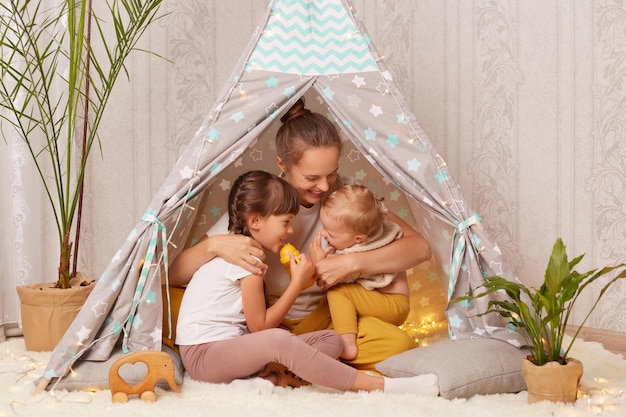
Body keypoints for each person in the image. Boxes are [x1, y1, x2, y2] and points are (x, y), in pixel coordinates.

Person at [169, 97, 432, 372]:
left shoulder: (347, 203)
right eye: (311, 178)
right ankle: (297, 361)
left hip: (326, 321)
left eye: (331, 174)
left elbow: (419, 248)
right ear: (283, 164)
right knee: (171, 308)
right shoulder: (260, 206)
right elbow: (175, 275)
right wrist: (215, 247)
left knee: (397, 345)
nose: (323, 186)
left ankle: (289, 363)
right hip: (262, 323)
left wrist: (351, 263)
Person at [175, 170, 439, 395]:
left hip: (234, 352)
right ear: (255, 221)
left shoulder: (252, 253)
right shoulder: (248, 260)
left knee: (331, 340)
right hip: (205, 357)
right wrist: (296, 284)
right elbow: (261, 328)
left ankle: (268, 380)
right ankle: (381, 387)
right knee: (277, 339)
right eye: (286, 222)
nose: (291, 231)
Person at [309, 184, 409, 360]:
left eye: (330, 234)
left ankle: (347, 345)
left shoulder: (358, 250)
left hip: (392, 305)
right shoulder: (380, 231)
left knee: (338, 291)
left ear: (358, 238)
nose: (324, 235)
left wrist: (318, 263)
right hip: (384, 304)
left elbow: (329, 280)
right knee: (328, 310)